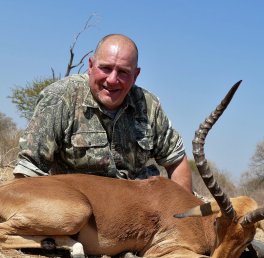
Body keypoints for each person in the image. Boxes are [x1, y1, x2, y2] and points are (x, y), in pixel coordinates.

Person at [13, 34, 192, 192]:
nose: (112, 80)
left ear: (136, 75)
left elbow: (175, 159)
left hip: (140, 209)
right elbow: (29, 170)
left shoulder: (148, 105)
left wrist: (183, 215)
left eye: (123, 72)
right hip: (79, 207)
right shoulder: (60, 97)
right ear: (90, 66)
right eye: (106, 68)